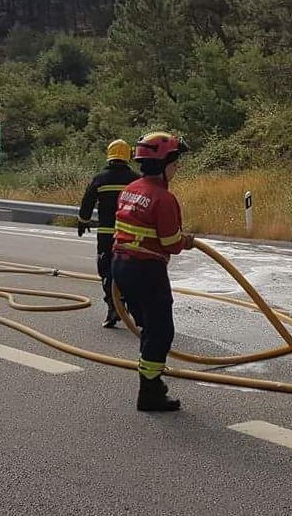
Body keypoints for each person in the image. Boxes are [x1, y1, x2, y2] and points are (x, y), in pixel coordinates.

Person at [111, 132, 195, 412]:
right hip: (146, 270)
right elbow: (171, 244)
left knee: (149, 328)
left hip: (121, 266)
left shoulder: (131, 188)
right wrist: (187, 240)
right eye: (175, 162)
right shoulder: (163, 198)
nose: (177, 167)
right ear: (163, 164)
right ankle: (149, 391)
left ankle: (152, 383)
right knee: (161, 331)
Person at [78, 139, 141, 328]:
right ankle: (135, 311)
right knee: (130, 270)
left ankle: (113, 307)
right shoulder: (136, 179)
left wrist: (83, 222)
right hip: (130, 235)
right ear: (127, 156)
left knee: (106, 270)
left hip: (106, 235)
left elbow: (87, 201)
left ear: (109, 155)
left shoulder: (100, 178)